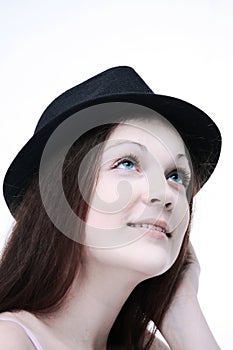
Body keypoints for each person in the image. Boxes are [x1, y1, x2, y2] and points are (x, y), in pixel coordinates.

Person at [0, 66, 221, 349]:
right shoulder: (11, 339)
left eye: (175, 176)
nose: (166, 193)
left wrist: (182, 307)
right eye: (127, 163)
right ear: (59, 197)